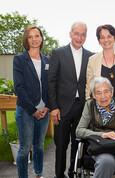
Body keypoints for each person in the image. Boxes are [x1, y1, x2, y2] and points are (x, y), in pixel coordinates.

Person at [48, 22, 94, 178]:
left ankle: (73, 172)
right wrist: (53, 107)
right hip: (61, 108)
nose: (79, 37)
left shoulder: (90, 56)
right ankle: (59, 175)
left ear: (86, 37)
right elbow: (51, 82)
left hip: (82, 108)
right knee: (61, 145)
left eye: (83, 34)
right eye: (76, 33)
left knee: (78, 143)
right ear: (70, 34)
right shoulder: (58, 53)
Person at [76, 77, 115, 178]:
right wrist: (102, 134)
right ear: (93, 95)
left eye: (106, 91)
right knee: (106, 161)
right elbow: (79, 131)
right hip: (100, 147)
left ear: (112, 92)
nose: (103, 96)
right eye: (98, 93)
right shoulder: (89, 106)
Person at [13, 25, 50, 178]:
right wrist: (33, 110)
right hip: (26, 111)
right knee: (25, 148)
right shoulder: (20, 59)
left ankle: (38, 174)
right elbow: (19, 88)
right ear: (26, 40)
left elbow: (51, 86)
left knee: (39, 146)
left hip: (44, 111)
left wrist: (47, 107)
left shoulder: (48, 60)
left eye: (37, 36)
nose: (34, 39)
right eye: (30, 36)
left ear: (41, 38)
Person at [85, 24, 115, 110]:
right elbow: (89, 87)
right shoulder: (92, 60)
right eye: (102, 37)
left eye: (109, 36)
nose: (106, 40)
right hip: (101, 111)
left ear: (114, 39)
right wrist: (89, 107)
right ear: (99, 41)